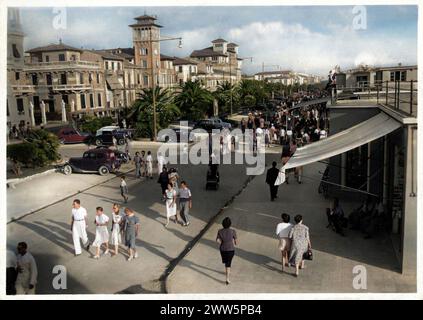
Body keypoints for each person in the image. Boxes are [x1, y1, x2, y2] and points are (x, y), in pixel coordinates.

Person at [216, 217, 237, 285]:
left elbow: (217, 240)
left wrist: (222, 242)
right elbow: (236, 242)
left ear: (222, 224)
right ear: (230, 224)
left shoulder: (220, 231)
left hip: (223, 250)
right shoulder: (233, 231)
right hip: (231, 250)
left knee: (226, 262)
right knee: (228, 264)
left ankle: (227, 269)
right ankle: (227, 279)